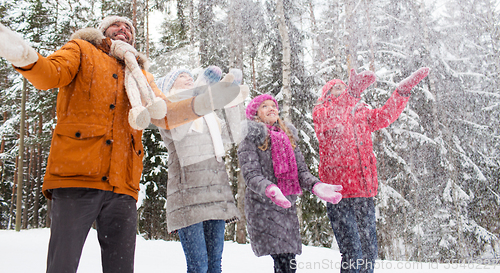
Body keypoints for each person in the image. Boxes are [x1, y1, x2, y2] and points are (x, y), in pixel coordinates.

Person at [0, 16, 239, 273]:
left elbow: (166, 113)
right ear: (102, 31)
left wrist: (202, 103)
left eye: (129, 28)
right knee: (62, 265)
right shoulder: (81, 50)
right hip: (76, 177)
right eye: (117, 25)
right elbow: (49, 74)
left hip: (123, 185)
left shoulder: (141, 75)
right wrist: (25, 56)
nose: (124, 29)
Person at [312, 67, 429, 273]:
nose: (341, 90)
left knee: (369, 252)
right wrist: (352, 94)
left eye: (343, 86)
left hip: (364, 192)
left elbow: (384, 117)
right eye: (335, 88)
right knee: (352, 253)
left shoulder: (360, 111)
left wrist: (401, 93)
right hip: (339, 194)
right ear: (326, 95)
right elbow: (336, 116)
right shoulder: (322, 112)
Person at [237, 94, 343, 273]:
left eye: (273, 105)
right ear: (255, 114)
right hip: (263, 208)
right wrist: (270, 189)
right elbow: (251, 175)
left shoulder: (287, 138)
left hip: (287, 207)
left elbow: (301, 172)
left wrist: (316, 185)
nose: (271, 108)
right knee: (285, 261)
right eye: (265, 106)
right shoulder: (250, 139)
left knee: (288, 262)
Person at [156, 66, 245, 273]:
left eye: (189, 75)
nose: (187, 77)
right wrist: (200, 88)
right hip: (188, 196)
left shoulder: (207, 115)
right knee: (198, 266)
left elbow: (233, 135)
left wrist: (231, 99)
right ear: (169, 86)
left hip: (215, 194)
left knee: (214, 265)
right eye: (181, 76)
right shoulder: (166, 109)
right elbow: (178, 133)